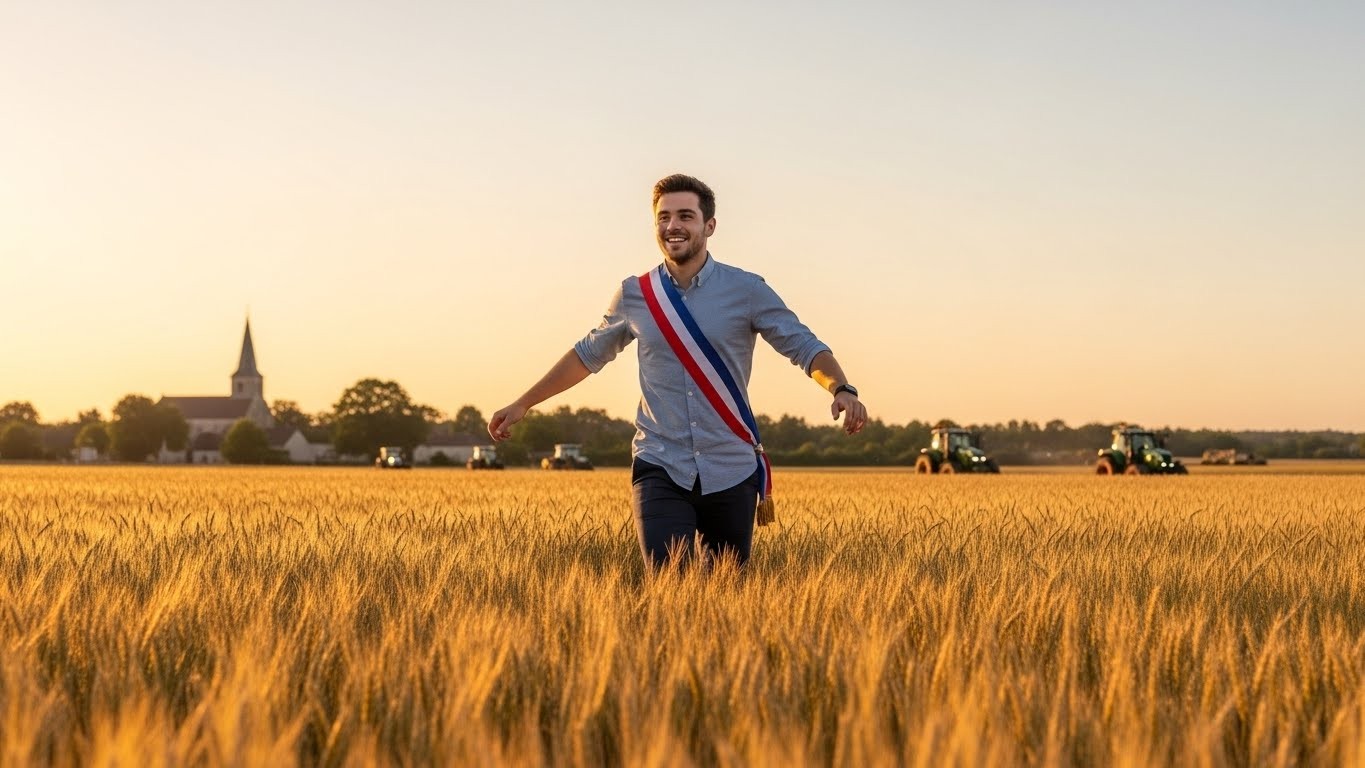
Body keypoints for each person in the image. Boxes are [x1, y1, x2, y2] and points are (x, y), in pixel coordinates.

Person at [488, 174, 867, 569]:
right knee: (670, 579)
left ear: (709, 226)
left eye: (685, 215)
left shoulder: (748, 290)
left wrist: (841, 388)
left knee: (726, 593)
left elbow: (804, 346)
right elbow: (586, 355)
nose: (673, 226)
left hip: (731, 467)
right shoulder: (635, 294)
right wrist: (524, 404)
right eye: (663, 217)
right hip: (660, 463)